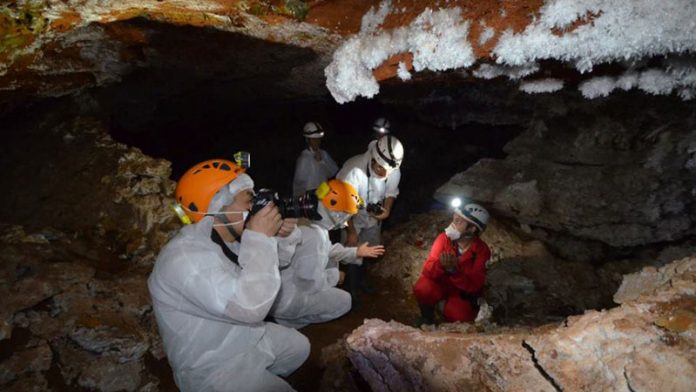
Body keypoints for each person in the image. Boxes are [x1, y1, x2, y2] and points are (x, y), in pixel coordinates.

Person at [148, 158, 309, 392]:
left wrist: (279, 237)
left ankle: (260, 376)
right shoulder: (185, 260)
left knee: (299, 347)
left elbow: (272, 267)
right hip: (213, 365)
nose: (254, 208)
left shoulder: (224, 238)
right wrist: (260, 238)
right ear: (217, 206)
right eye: (249, 200)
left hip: (242, 335)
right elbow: (251, 306)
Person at [270, 179, 385, 328]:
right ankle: (290, 322)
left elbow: (327, 249)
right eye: (347, 216)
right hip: (288, 300)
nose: (346, 221)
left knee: (331, 262)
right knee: (344, 301)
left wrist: (357, 251)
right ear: (337, 214)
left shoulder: (307, 221)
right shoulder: (315, 236)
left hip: (280, 288)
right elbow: (308, 284)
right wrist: (336, 276)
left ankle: (288, 317)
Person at [336, 134, 404, 308]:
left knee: (369, 249)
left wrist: (387, 210)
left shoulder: (392, 169)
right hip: (350, 216)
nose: (384, 174)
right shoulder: (353, 170)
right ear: (374, 158)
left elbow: (391, 192)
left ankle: (361, 281)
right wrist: (350, 231)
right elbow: (341, 206)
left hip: (372, 218)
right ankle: (352, 291)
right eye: (381, 169)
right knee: (353, 252)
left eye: (388, 172)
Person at [413, 202, 491, 325]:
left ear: (472, 229)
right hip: (442, 283)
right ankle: (427, 318)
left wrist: (454, 272)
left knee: (459, 316)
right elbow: (427, 271)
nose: (452, 225)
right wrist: (440, 265)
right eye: (454, 219)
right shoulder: (444, 239)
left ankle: (446, 310)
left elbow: (475, 284)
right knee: (423, 288)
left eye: (458, 222)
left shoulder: (481, 251)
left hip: (461, 290)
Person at [292, 122, 339, 196]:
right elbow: (299, 184)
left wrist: (322, 161)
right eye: (313, 139)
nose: (317, 142)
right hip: (310, 196)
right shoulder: (304, 158)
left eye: (318, 139)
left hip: (324, 193)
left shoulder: (324, 154)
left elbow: (334, 172)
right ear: (307, 140)